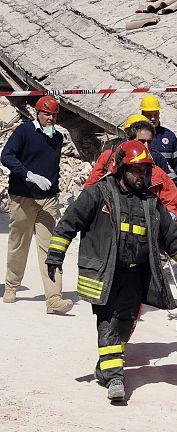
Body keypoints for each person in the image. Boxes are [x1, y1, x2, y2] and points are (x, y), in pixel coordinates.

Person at [44, 141, 177, 401]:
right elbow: (67, 224)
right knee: (108, 321)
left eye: (144, 171)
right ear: (121, 168)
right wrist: (55, 255)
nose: (141, 177)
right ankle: (116, 377)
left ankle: (106, 367)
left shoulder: (150, 202)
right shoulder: (98, 194)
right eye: (136, 171)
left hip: (135, 274)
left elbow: (172, 238)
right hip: (106, 273)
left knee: (125, 322)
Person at [1, 95, 73, 314]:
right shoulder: (24, 132)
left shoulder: (57, 139)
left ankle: (54, 299)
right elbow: (7, 156)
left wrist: (54, 190)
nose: (50, 118)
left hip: (48, 200)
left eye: (53, 115)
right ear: (37, 113)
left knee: (51, 248)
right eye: (47, 114)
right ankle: (12, 286)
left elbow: (53, 166)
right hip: (23, 197)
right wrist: (28, 175)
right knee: (18, 245)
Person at [85, 116, 177, 225]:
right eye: (141, 141)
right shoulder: (109, 159)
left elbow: (174, 208)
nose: (146, 146)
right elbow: (89, 192)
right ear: (129, 139)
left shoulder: (158, 174)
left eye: (149, 142)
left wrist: (161, 222)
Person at [139, 95, 177, 197]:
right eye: (149, 115)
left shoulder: (169, 137)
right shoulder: (134, 136)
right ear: (142, 114)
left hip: (165, 192)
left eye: (156, 115)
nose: (153, 118)